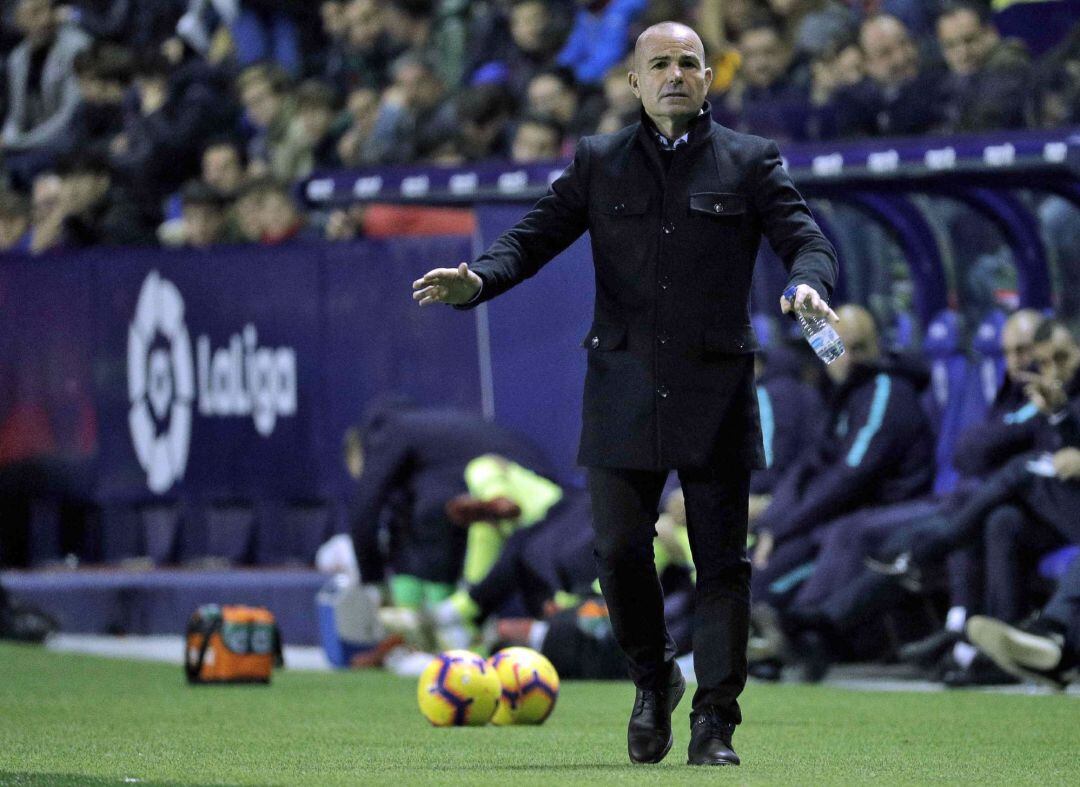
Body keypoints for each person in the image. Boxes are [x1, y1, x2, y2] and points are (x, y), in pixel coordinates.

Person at [411, 21, 838, 767]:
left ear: (708, 78)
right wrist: (479, 279)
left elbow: (807, 237)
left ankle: (715, 723)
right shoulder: (600, 161)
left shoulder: (749, 160)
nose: (676, 74)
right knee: (614, 549)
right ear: (633, 83)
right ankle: (653, 677)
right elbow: (534, 236)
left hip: (715, 390)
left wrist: (808, 283)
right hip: (623, 387)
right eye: (660, 64)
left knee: (721, 565)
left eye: (689, 63)